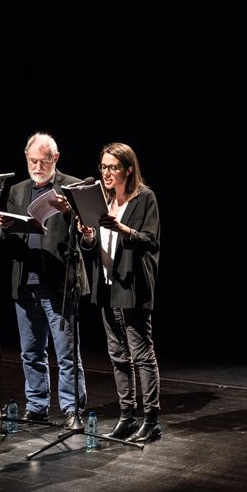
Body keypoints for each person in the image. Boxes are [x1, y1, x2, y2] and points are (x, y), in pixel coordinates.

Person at [0, 132, 87, 429]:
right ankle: (37, 406)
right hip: (25, 282)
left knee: (66, 353)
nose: (37, 166)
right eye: (32, 161)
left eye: (43, 161)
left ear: (55, 159)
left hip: (59, 284)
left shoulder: (72, 187)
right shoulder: (17, 190)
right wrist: (3, 227)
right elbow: (5, 242)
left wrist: (70, 211)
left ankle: (72, 409)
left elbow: (87, 232)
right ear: (26, 158)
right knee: (31, 352)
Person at [78, 142, 162, 443]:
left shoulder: (144, 198)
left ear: (128, 169)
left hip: (132, 287)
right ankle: (127, 416)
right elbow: (94, 247)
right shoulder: (103, 201)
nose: (106, 173)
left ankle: (151, 420)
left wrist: (122, 228)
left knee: (141, 355)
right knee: (117, 355)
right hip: (107, 286)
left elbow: (150, 240)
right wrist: (89, 236)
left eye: (113, 167)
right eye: (103, 167)